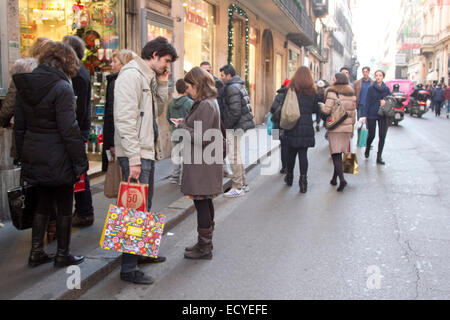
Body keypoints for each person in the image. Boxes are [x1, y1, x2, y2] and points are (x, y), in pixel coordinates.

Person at [14, 41, 88, 268]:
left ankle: (36, 252)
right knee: (65, 206)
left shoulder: (26, 84)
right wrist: (80, 161)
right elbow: (69, 129)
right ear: (67, 61)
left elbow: (20, 126)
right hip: (58, 155)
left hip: (34, 153)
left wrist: (21, 155)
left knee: (42, 203)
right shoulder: (62, 87)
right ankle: (62, 254)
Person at [114, 36, 177, 285]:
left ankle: (141, 252)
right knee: (134, 211)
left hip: (145, 151)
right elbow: (125, 120)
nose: (167, 66)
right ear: (154, 55)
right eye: (166, 61)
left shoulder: (147, 77)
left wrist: (163, 83)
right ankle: (128, 269)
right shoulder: (131, 76)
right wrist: (133, 158)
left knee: (144, 208)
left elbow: (158, 110)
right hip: (136, 153)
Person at [173, 67, 222, 260]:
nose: (188, 90)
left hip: (202, 162)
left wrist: (181, 127)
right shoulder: (207, 103)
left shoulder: (206, 105)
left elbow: (201, 137)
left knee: (202, 203)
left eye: (190, 86)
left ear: (197, 85)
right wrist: (184, 123)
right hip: (203, 161)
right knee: (204, 202)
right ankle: (204, 243)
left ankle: (205, 248)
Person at [63, 35, 94, 228]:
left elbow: (80, 109)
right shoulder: (77, 73)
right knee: (78, 171)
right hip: (78, 129)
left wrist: (78, 131)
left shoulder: (79, 75)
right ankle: (83, 211)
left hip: (78, 130)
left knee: (79, 171)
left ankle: (84, 211)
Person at [219, 64, 255, 198]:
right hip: (239, 125)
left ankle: (237, 186)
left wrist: (227, 125)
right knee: (236, 154)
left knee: (233, 155)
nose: (221, 78)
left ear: (229, 75)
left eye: (222, 75)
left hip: (234, 126)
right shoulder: (238, 84)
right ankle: (243, 183)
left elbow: (235, 111)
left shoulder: (231, 88)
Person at [283, 66, 319, 193]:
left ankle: (289, 177)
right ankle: (303, 182)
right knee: (303, 155)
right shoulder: (313, 91)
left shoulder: (291, 89)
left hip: (293, 126)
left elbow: (285, 106)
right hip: (306, 126)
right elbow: (315, 109)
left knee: (291, 153)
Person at [322, 73, 357, 192]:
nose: (332, 81)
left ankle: (342, 180)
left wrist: (321, 107)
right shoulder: (351, 93)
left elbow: (327, 110)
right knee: (343, 152)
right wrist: (352, 127)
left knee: (335, 154)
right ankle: (334, 178)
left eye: (333, 79)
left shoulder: (332, 93)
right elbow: (353, 113)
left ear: (337, 80)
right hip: (347, 128)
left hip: (335, 126)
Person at [102, 49, 134, 172]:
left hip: (119, 139)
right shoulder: (123, 80)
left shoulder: (116, 82)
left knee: (123, 175)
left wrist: (112, 143)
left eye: (115, 61)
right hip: (122, 139)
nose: (111, 64)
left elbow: (112, 113)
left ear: (124, 64)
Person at [200, 61, 231, 178]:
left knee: (219, 145)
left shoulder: (218, 83)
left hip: (218, 119)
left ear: (211, 71)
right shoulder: (198, 84)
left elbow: (223, 102)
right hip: (205, 120)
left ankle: (223, 169)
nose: (205, 73)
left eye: (207, 70)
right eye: (203, 70)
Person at [361, 70, 391, 165]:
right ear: (374, 77)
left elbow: (390, 100)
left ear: (383, 77)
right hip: (372, 113)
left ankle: (379, 156)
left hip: (383, 114)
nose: (378, 77)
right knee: (372, 135)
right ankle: (367, 148)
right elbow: (367, 102)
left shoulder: (386, 89)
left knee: (382, 135)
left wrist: (385, 102)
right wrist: (365, 115)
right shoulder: (371, 88)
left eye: (380, 75)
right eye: (376, 75)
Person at [167, 79, 193, 184]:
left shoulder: (170, 103)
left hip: (175, 133)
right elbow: (192, 118)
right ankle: (183, 179)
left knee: (175, 156)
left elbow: (168, 117)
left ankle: (174, 176)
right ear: (187, 89)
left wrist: (174, 125)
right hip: (186, 133)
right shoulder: (190, 103)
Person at [270, 79, 291, 174]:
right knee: (289, 146)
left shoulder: (279, 95)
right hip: (290, 124)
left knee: (283, 146)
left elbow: (273, 108)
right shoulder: (293, 95)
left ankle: (284, 167)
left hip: (280, 124)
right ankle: (289, 166)